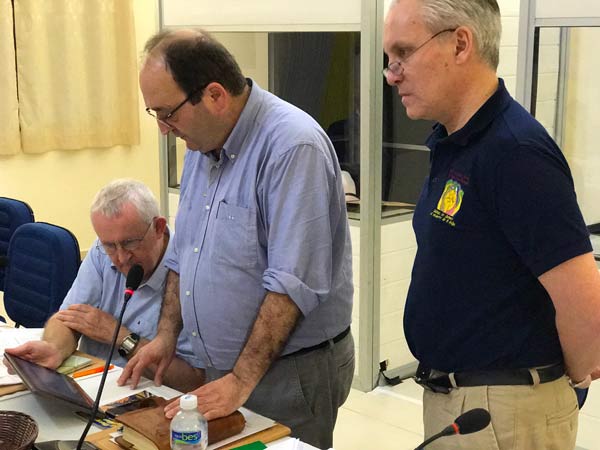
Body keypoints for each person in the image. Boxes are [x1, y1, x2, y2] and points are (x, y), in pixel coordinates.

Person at [118, 29, 354, 449]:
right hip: (226, 372)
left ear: (214, 95)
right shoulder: (201, 145)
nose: (163, 129)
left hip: (288, 373)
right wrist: (166, 335)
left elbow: (292, 284)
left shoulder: (292, 146)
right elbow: (183, 254)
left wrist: (241, 379)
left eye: (167, 113)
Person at [383, 0, 600, 448]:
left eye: (403, 53)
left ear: (460, 44)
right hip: (461, 400)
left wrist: (563, 386)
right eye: (390, 59)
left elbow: (586, 304)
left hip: (502, 410)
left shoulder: (515, 152)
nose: (392, 74)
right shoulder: (457, 144)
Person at [6, 179, 203, 393]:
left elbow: (192, 381)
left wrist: (120, 337)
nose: (121, 258)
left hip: (151, 398)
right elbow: (67, 319)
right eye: (110, 245)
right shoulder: (101, 252)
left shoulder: (191, 272)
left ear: (158, 227)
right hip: (90, 387)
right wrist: (53, 348)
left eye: (130, 243)